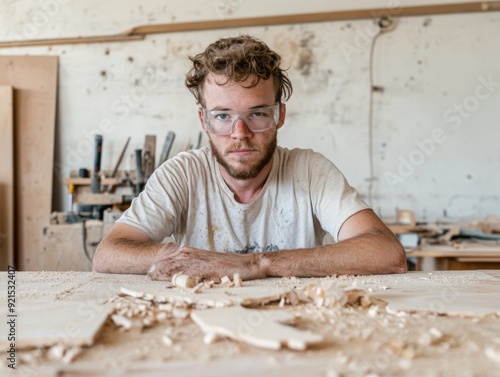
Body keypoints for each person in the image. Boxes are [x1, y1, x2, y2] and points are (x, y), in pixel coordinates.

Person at [93, 35, 407, 281]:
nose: (240, 132)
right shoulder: (182, 174)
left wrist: (257, 264)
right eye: (223, 116)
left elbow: (386, 252)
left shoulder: (310, 170)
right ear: (204, 121)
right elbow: (108, 254)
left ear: (279, 115)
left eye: (257, 113)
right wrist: (189, 258)